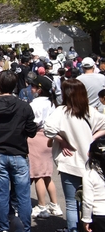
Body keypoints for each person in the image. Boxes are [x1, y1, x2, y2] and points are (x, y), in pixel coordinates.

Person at [0, 70, 37, 232]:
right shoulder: (24, 106)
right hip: (19, 153)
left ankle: (3, 228)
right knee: (23, 196)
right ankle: (25, 228)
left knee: (2, 195)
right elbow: (31, 131)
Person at [45, 79, 105, 232]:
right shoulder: (91, 111)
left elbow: (48, 130)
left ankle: (73, 229)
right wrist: (92, 138)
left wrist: (63, 141)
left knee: (71, 203)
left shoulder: (61, 112)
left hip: (70, 161)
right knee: (89, 201)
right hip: (90, 163)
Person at [28, 74, 62, 219]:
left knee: (38, 175)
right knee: (46, 173)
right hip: (49, 138)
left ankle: (41, 205)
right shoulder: (51, 102)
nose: (31, 88)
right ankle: (54, 204)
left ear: (39, 90)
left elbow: (32, 122)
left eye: (34, 86)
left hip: (37, 137)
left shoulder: (35, 104)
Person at [82, 136, 105, 232]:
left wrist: (86, 219)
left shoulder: (90, 174)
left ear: (90, 154)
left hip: (99, 215)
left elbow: (87, 201)